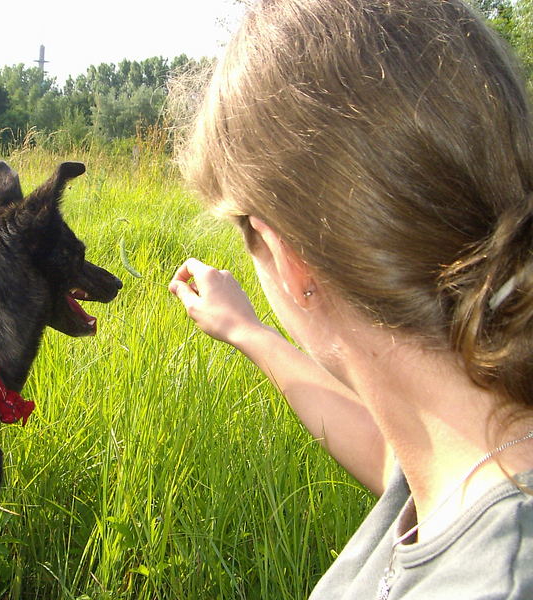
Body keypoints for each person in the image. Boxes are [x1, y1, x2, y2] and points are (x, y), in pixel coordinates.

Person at [168, 0, 533, 597]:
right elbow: (394, 455)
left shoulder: (498, 580)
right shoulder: (468, 451)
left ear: (288, 259)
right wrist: (248, 332)